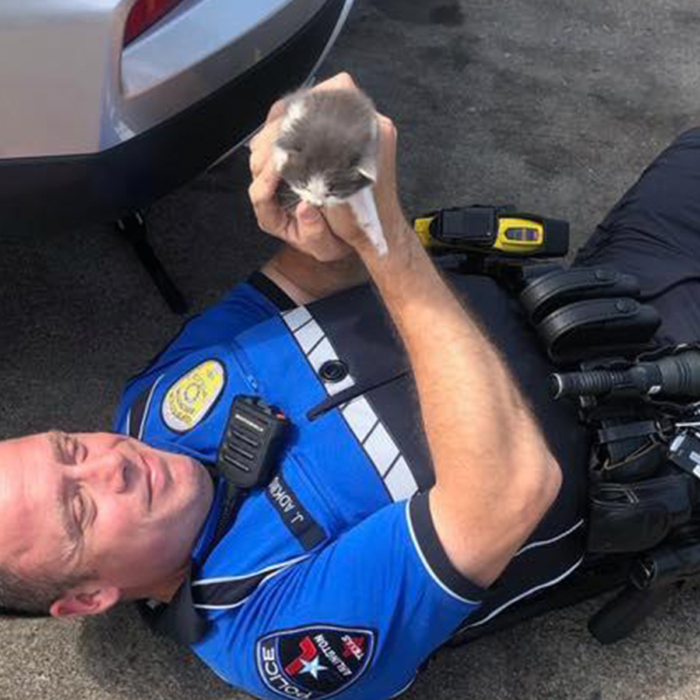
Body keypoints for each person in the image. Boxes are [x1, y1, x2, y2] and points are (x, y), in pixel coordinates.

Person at [0, 71, 699, 699]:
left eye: (70, 448)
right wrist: (383, 235)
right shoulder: (267, 632)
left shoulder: (152, 404)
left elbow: (313, 274)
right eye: (80, 510)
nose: (109, 464)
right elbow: (511, 489)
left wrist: (315, 177)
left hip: (608, 289)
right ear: (90, 596)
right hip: (670, 433)